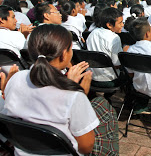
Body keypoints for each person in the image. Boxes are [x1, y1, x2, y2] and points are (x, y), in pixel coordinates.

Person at [0, 24, 119, 155]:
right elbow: (85, 148)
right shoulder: (73, 95)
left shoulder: (15, 78)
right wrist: (80, 93)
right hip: (65, 151)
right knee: (102, 105)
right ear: (63, 54)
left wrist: (71, 87)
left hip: (24, 150)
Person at [86, 8, 127, 88]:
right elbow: (117, 63)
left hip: (92, 77)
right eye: (120, 22)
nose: (122, 25)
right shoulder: (114, 38)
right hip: (108, 79)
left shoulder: (92, 33)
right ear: (109, 25)